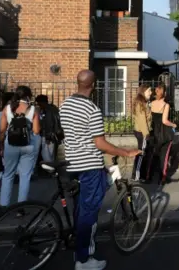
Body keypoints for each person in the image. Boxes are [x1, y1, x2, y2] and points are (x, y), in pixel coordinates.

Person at [61, 70, 141, 270]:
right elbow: (100, 144)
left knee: (81, 208)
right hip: (89, 166)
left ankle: (79, 247)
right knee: (89, 212)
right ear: (93, 85)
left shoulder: (65, 105)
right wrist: (125, 152)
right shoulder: (92, 109)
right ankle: (84, 259)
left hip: (72, 165)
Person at [0, 86, 41, 215]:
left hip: (11, 145)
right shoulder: (33, 109)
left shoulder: (7, 109)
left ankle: (3, 206)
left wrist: (1, 146)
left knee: (8, 175)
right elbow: (36, 131)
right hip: (28, 145)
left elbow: (2, 131)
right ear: (28, 96)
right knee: (25, 176)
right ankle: (20, 208)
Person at [146, 83, 177, 184]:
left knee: (153, 154)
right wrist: (173, 125)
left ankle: (148, 176)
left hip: (153, 131)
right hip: (163, 133)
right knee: (164, 155)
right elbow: (164, 121)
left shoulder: (152, 103)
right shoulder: (166, 105)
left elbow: (149, 118)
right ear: (165, 92)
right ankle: (162, 178)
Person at [132, 85, 152, 181]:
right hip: (142, 132)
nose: (151, 92)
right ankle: (137, 176)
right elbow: (142, 120)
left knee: (141, 153)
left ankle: (139, 175)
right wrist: (146, 134)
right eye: (149, 91)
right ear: (143, 92)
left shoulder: (144, 102)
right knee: (141, 154)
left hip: (141, 131)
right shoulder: (140, 104)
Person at [36, 94, 62, 163]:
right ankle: (52, 170)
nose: (38, 105)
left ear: (41, 102)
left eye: (38, 103)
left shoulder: (47, 110)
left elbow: (49, 124)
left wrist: (48, 137)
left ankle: (50, 171)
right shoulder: (54, 108)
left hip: (48, 136)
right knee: (52, 155)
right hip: (54, 135)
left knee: (47, 157)